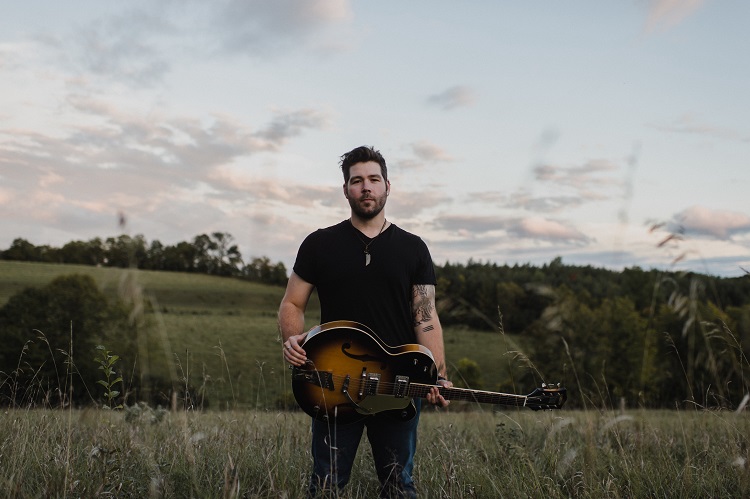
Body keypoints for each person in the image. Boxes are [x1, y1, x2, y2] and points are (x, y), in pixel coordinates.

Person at [278, 145, 452, 498]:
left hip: (399, 383)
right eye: (357, 181)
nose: (366, 187)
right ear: (346, 190)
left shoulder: (413, 248)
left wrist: (437, 374)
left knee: (398, 485)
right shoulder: (319, 244)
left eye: (374, 179)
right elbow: (292, 303)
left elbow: (425, 318)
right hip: (333, 383)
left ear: (388, 186)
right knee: (326, 485)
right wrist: (295, 341)